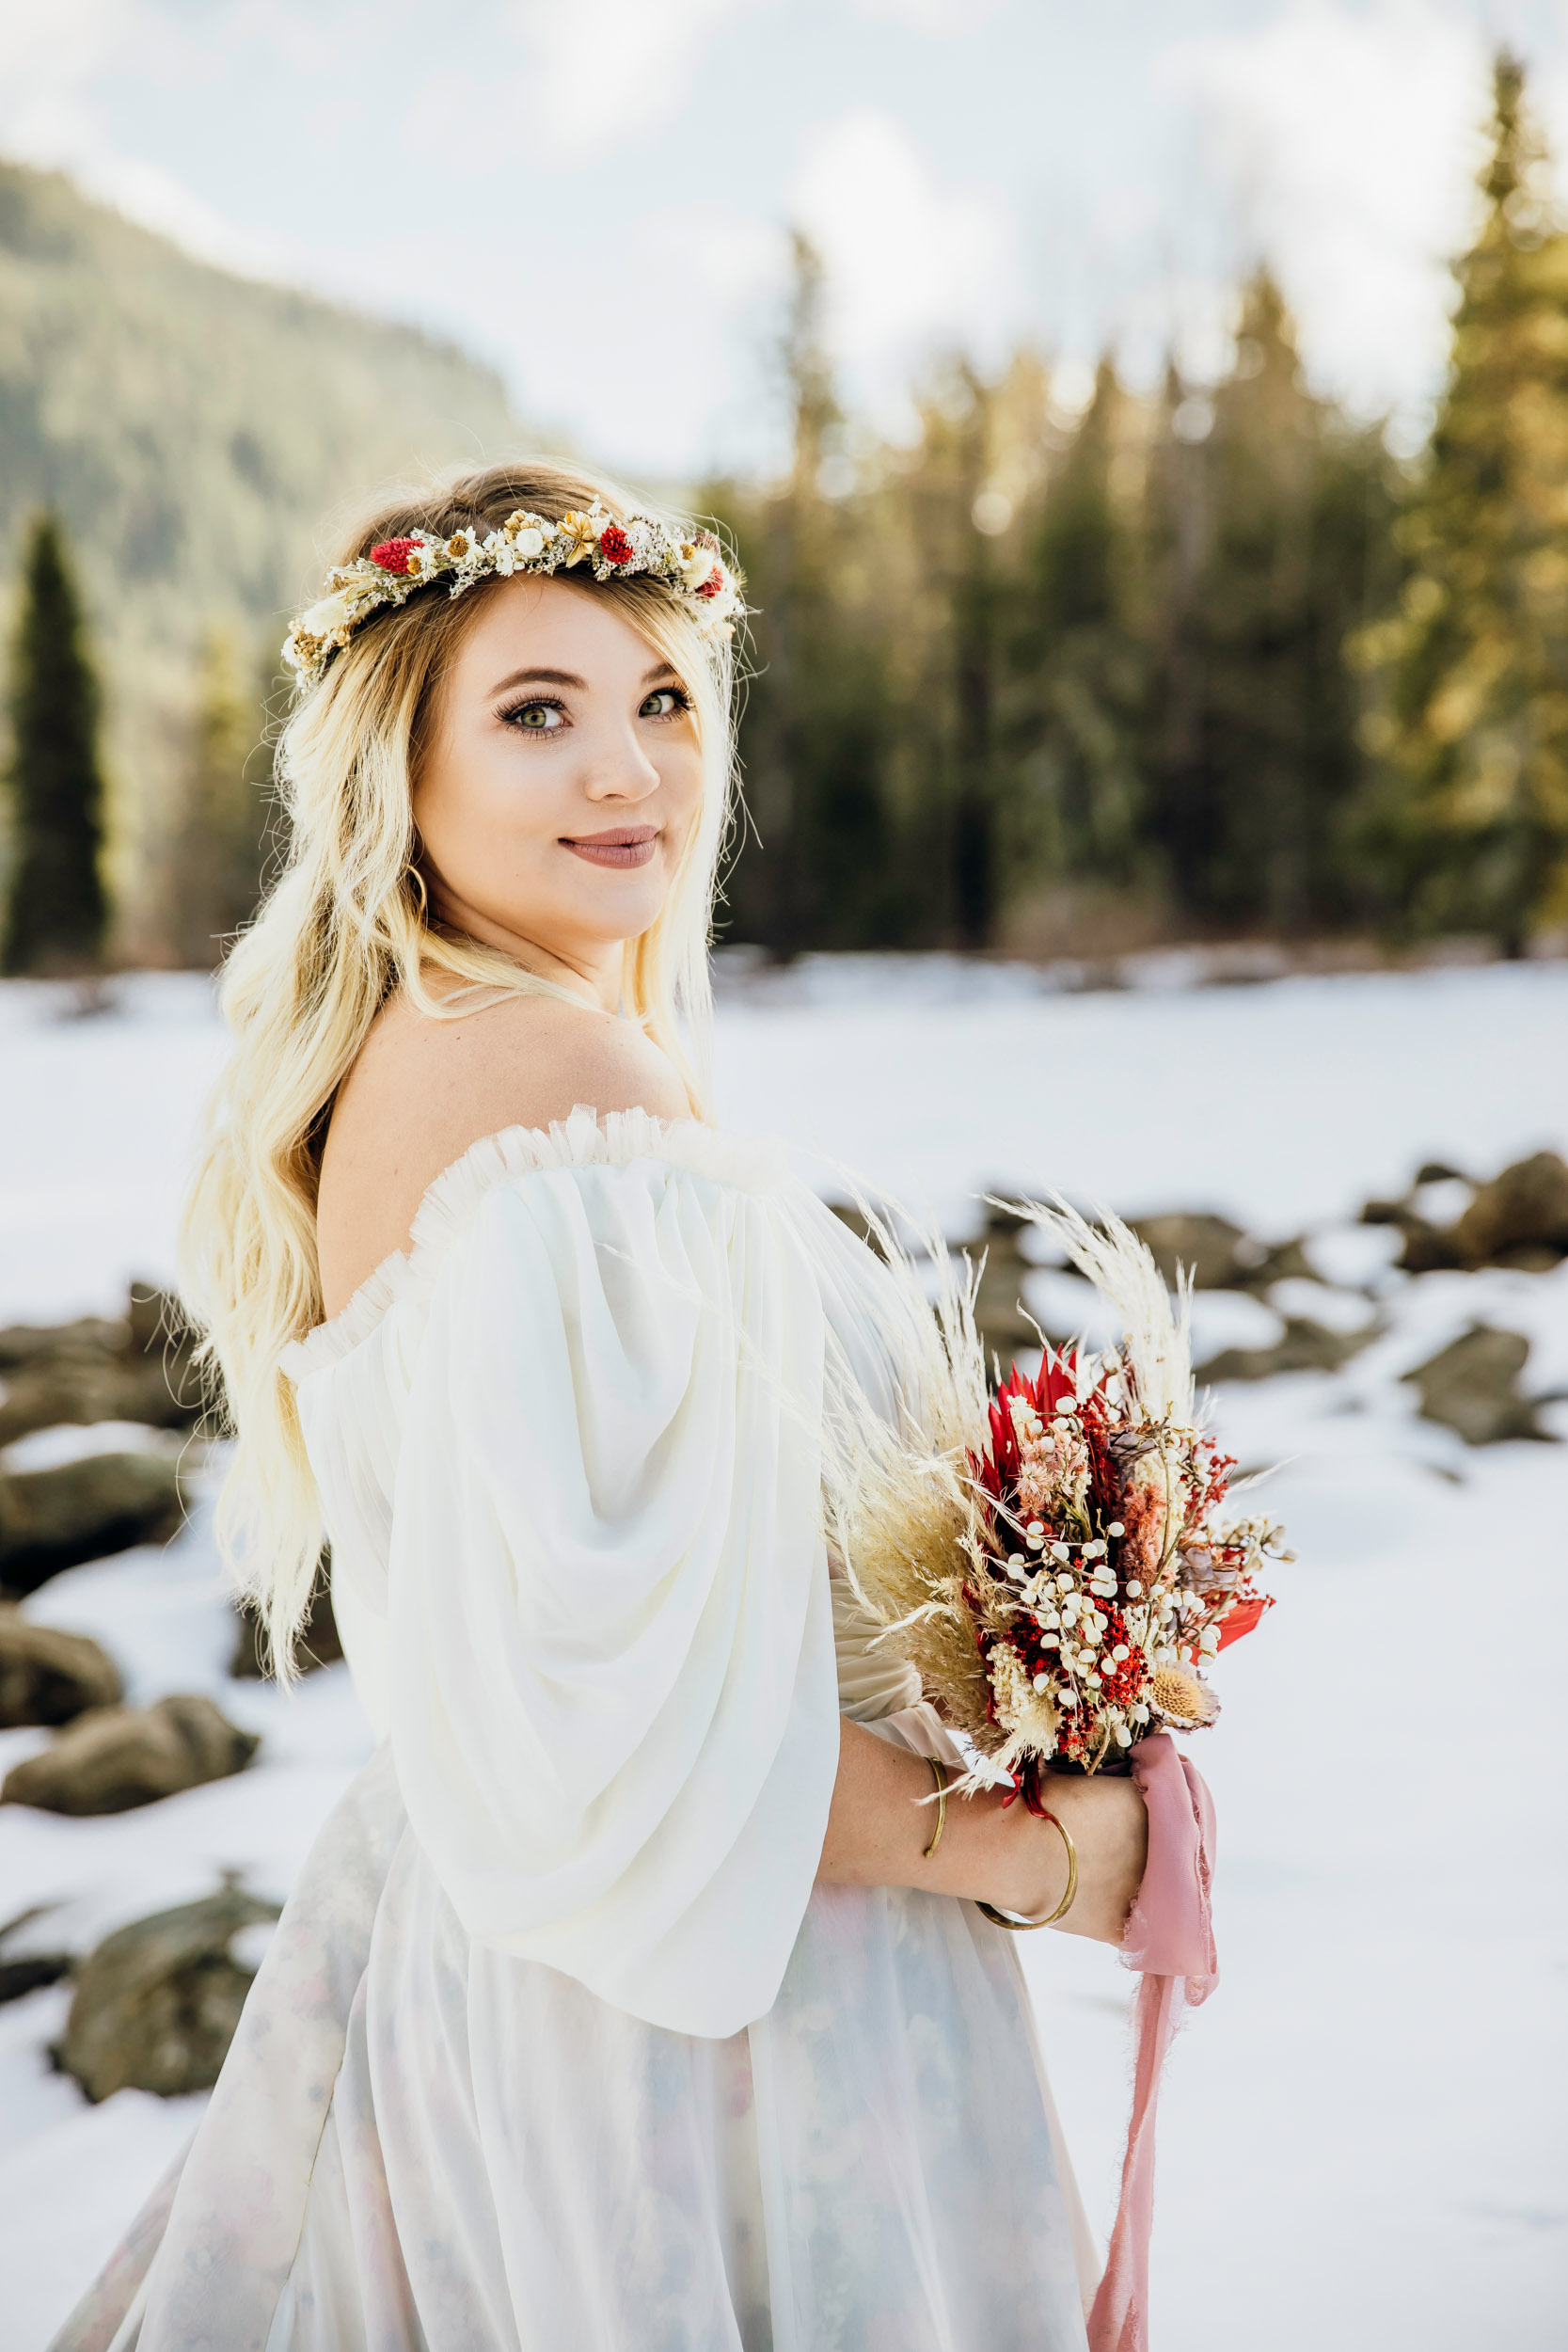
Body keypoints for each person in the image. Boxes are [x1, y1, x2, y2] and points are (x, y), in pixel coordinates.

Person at [57, 462, 1149, 2352]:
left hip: (506, 1976)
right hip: (697, 2047)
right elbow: (637, 1745)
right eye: (537, 712)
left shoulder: (437, 1054)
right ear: (402, 766)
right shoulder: (555, 1084)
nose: (627, 767)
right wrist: (1050, 1850)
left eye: (660, 700)